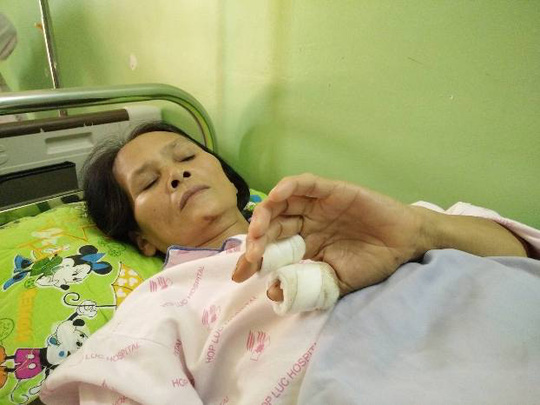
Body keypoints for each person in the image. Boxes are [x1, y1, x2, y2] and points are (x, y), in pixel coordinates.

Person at [40, 122, 539, 405]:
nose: (177, 174)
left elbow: (520, 251)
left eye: (186, 156)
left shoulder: (352, 214)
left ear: (227, 176)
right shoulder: (156, 303)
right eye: (149, 182)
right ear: (140, 239)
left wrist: (420, 232)